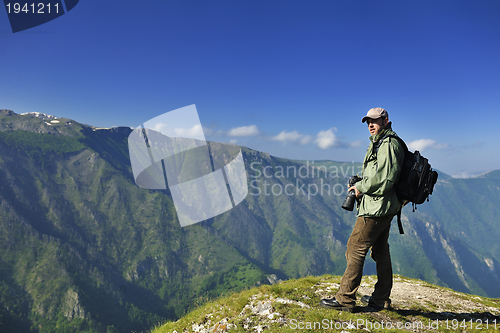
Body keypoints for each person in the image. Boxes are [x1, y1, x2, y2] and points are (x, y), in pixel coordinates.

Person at [320, 107, 405, 312]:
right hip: (384, 206)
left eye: (375, 120)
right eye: (368, 121)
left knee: (355, 247)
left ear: (385, 120)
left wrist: (360, 187)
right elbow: (379, 173)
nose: (370, 124)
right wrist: (362, 179)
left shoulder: (388, 144)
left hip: (376, 208)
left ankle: (345, 299)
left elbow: (386, 178)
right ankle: (380, 299)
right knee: (381, 251)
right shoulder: (382, 142)